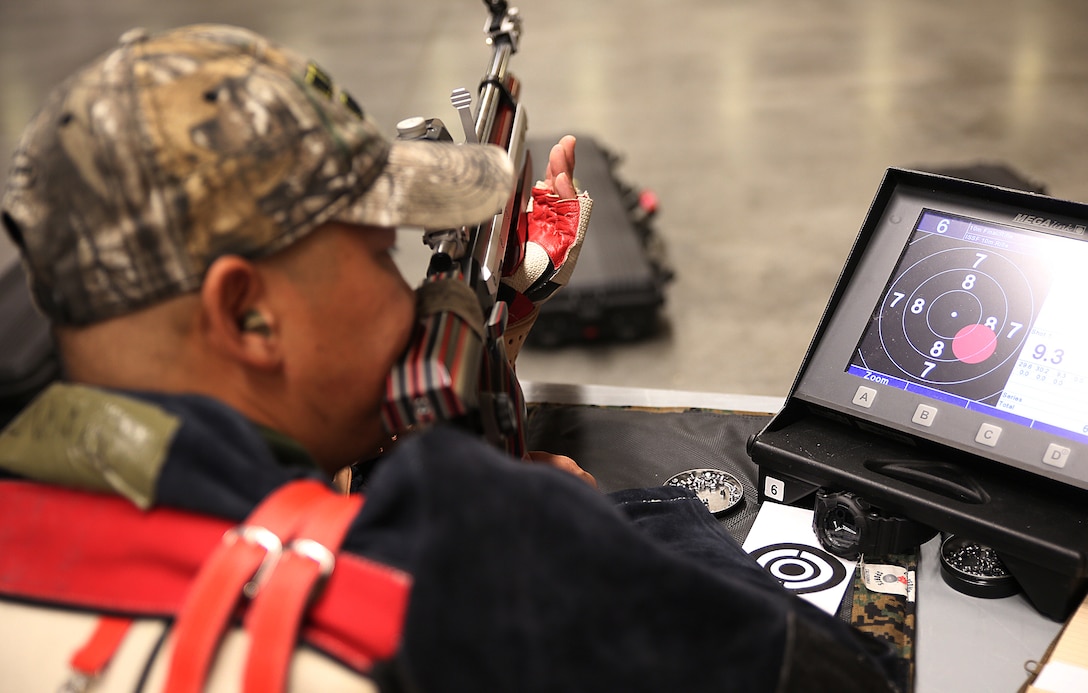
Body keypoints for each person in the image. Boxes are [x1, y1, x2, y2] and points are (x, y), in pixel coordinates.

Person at [0, 23, 899, 693]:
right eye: (383, 247)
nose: (414, 292)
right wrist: (574, 530)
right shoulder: (455, 579)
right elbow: (844, 680)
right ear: (249, 315)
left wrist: (501, 320)